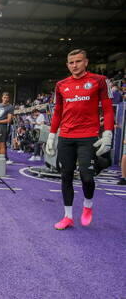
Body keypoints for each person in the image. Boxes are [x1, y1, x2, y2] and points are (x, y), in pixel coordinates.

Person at [46, 49, 114, 230]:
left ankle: (88, 206)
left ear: (86, 62)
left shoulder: (98, 81)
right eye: (71, 62)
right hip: (66, 136)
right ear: (67, 64)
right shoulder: (61, 84)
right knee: (65, 176)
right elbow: (58, 111)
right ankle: (68, 216)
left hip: (88, 136)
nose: (74, 65)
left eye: (78, 61)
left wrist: (108, 132)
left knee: (86, 177)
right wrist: (52, 135)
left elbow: (108, 109)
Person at [0, 92, 14, 164]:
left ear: (8, 99)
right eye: (4, 97)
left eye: (7, 98)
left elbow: (9, 120)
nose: (5, 99)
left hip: (3, 127)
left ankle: (2, 161)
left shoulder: (10, 107)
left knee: (2, 143)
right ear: (2, 98)